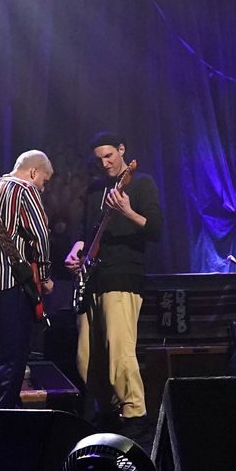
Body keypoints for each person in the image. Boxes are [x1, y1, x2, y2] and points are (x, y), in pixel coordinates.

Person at [64, 133, 162, 439]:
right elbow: (86, 234)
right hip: (93, 278)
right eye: (99, 159)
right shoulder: (95, 191)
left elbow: (156, 230)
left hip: (123, 276)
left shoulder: (141, 183)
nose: (105, 163)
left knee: (120, 350)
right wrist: (75, 250)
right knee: (86, 356)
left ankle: (136, 414)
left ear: (122, 150)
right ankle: (105, 411)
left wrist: (128, 212)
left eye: (109, 156)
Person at [0, 150, 54, 408]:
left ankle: (5, 410)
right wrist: (44, 275)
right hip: (13, 284)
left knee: (2, 354)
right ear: (33, 172)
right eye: (44, 181)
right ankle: (1, 419)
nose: (43, 188)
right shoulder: (24, 190)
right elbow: (40, 237)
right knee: (14, 356)